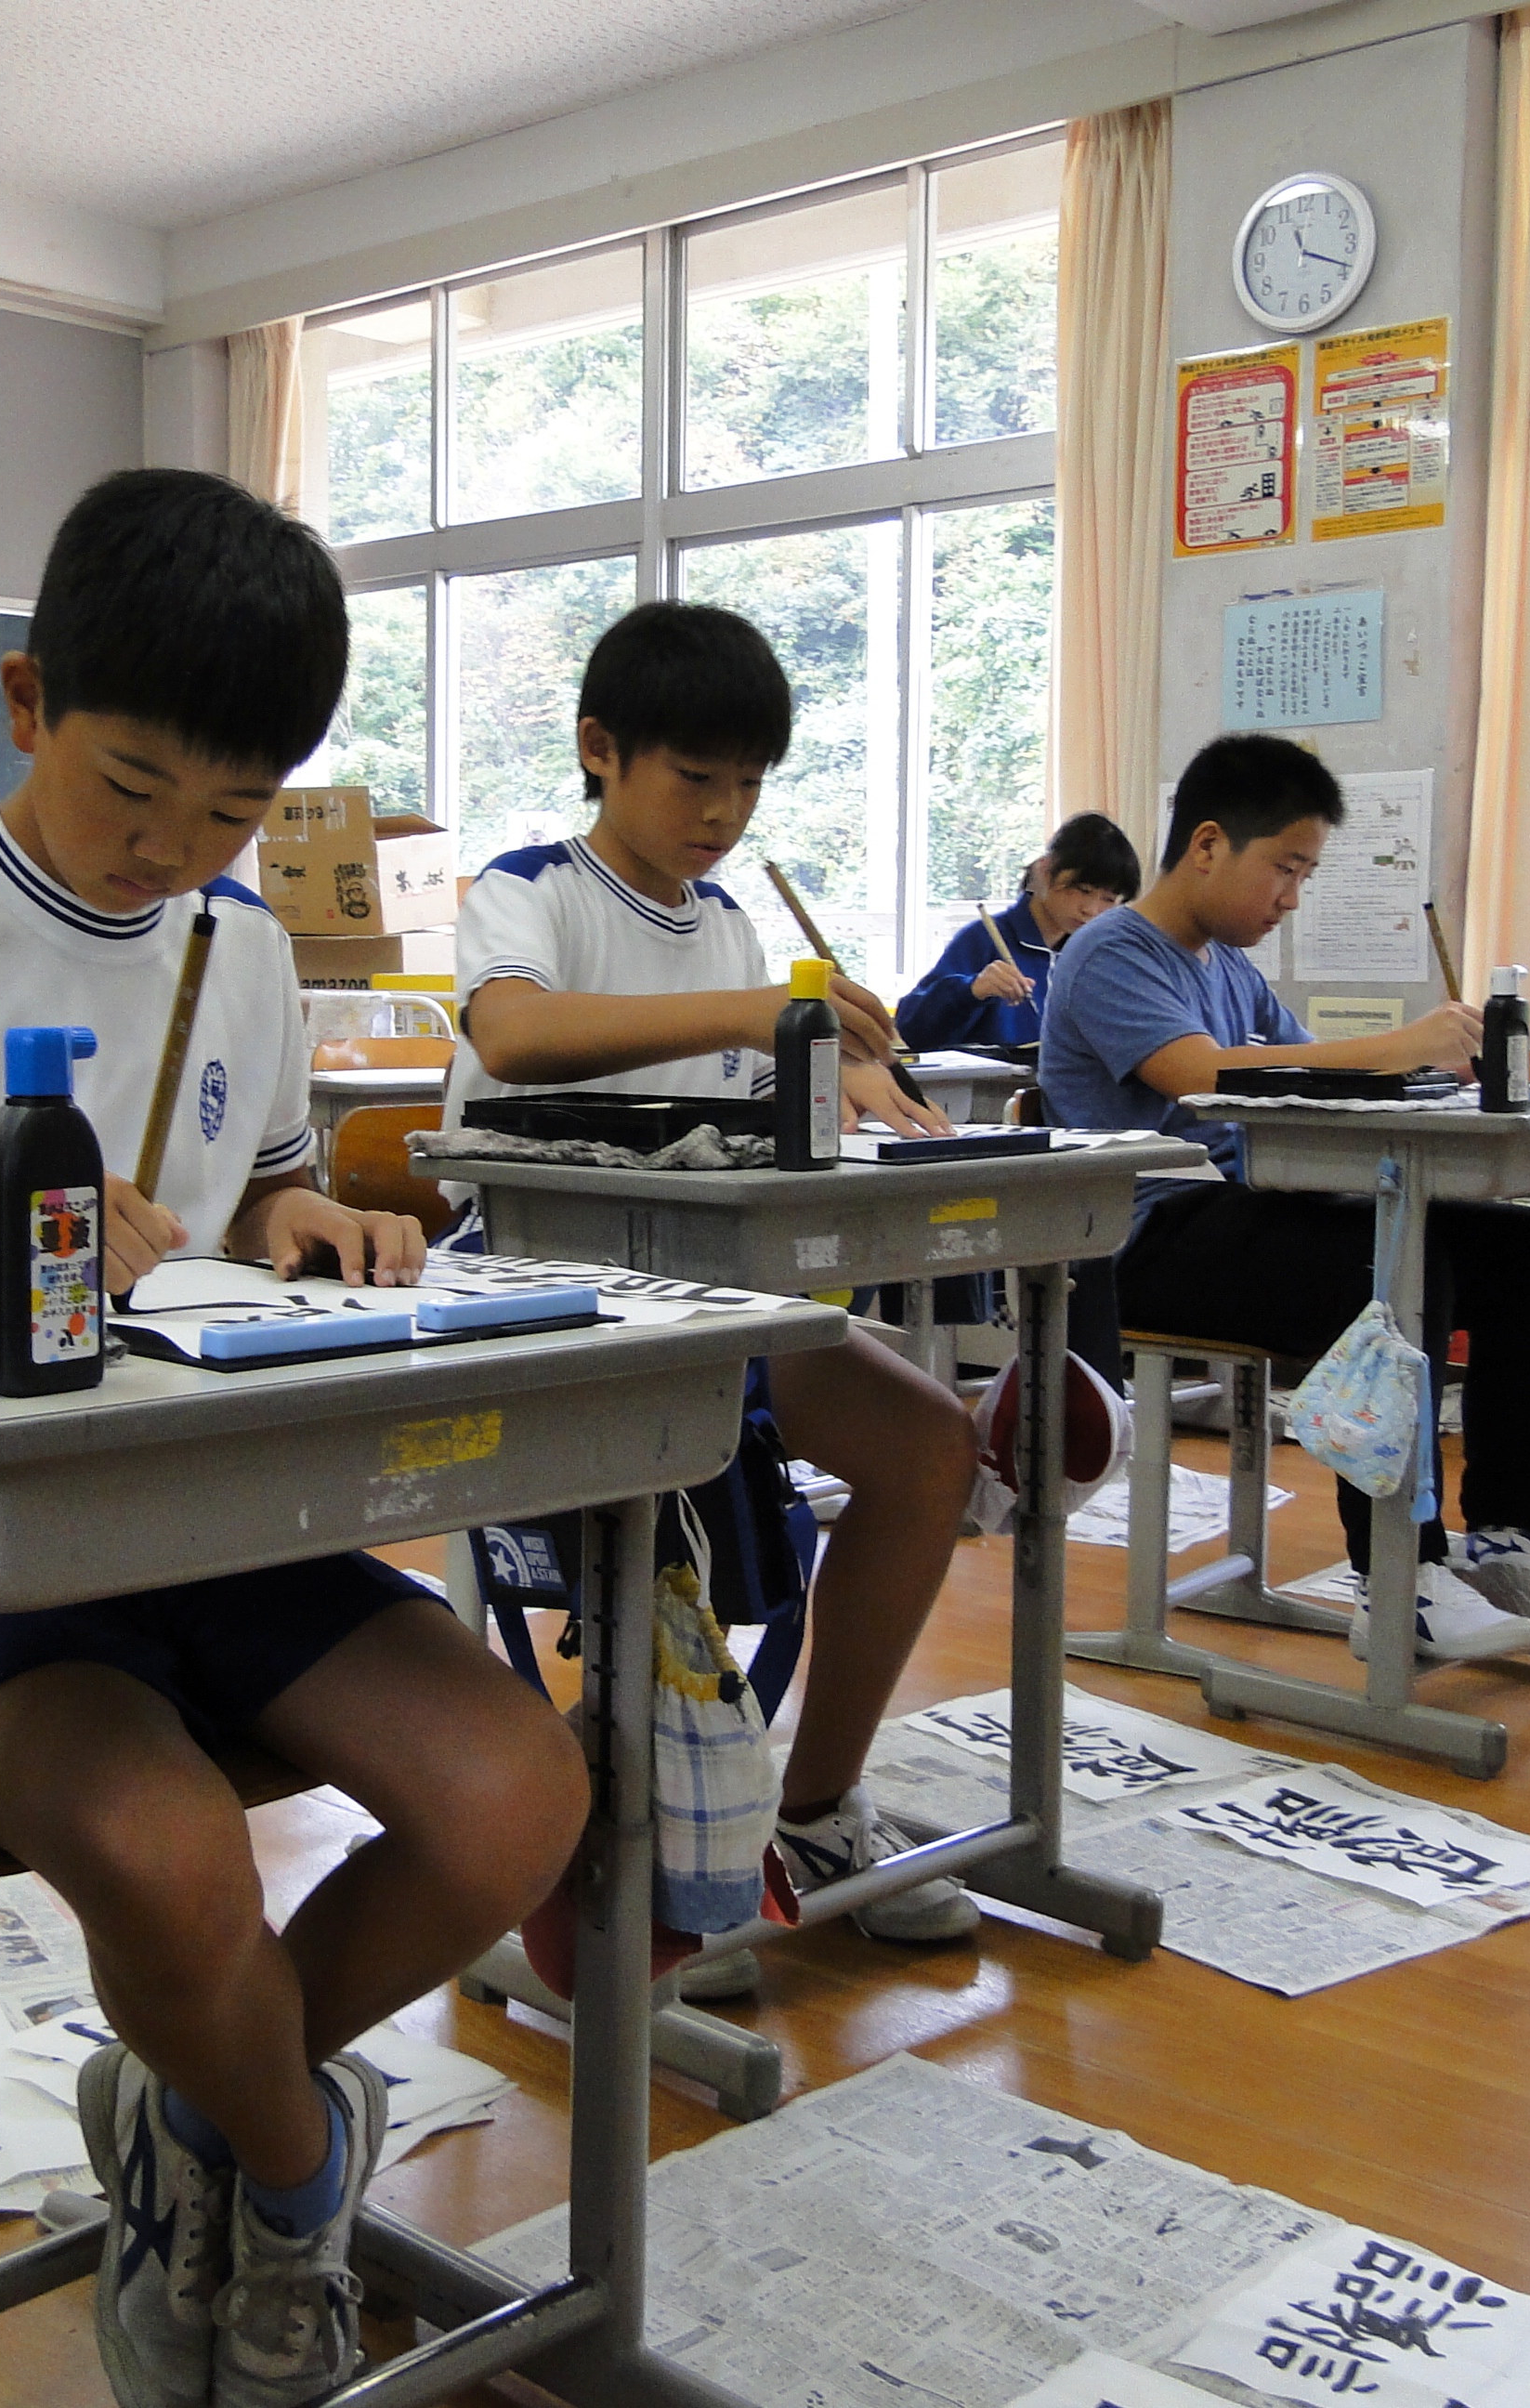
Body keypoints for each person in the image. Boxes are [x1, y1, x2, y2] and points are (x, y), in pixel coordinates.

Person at [0, 469, 587, 2408]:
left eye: (228, 812)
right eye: (130, 785)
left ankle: (196, 2113)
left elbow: (261, 1193)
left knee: (517, 1799)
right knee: (169, 1860)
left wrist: (310, 1222)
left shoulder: (238, 944)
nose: (168, 848)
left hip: (219, 1513)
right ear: (28, 702)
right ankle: (294, 2175)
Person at [440, 597, 983, 1998]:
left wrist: (850, 1074)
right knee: (679, 1488)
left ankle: (814, 1809)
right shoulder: (529, 890)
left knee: (929, 1445)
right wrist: (758, 1013)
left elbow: (752, 1101)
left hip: (712, 1300)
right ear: (600, 751)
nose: (724, 815)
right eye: (696, 778)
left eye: (749, 785)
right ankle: (638, 1862)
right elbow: (514, 1033)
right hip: (546, 1300)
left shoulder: (732, 926)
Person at [1043, 733, 1530, 1664]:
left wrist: (1427, 1072)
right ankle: (1400, 1576)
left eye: (1306, 874)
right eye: (1286, 869)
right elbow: (1198, 1074)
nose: (1293, 897)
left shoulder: (1229, 968)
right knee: (1392, 1263)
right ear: (1208, 845)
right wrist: (1397, 1045)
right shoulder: (1109, 953)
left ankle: (1505, 1532)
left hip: (1246, 1214)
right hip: (1143, 1236)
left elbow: (1312, 1077)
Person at [895, 812, 1140, 1050]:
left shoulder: (1096, 955)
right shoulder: (985, 939)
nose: (1091, 910)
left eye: (1108, 899)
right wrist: (972, 990)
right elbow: (910, 1031)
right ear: (1044, 870)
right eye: (1083, 890)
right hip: (993, 1078)